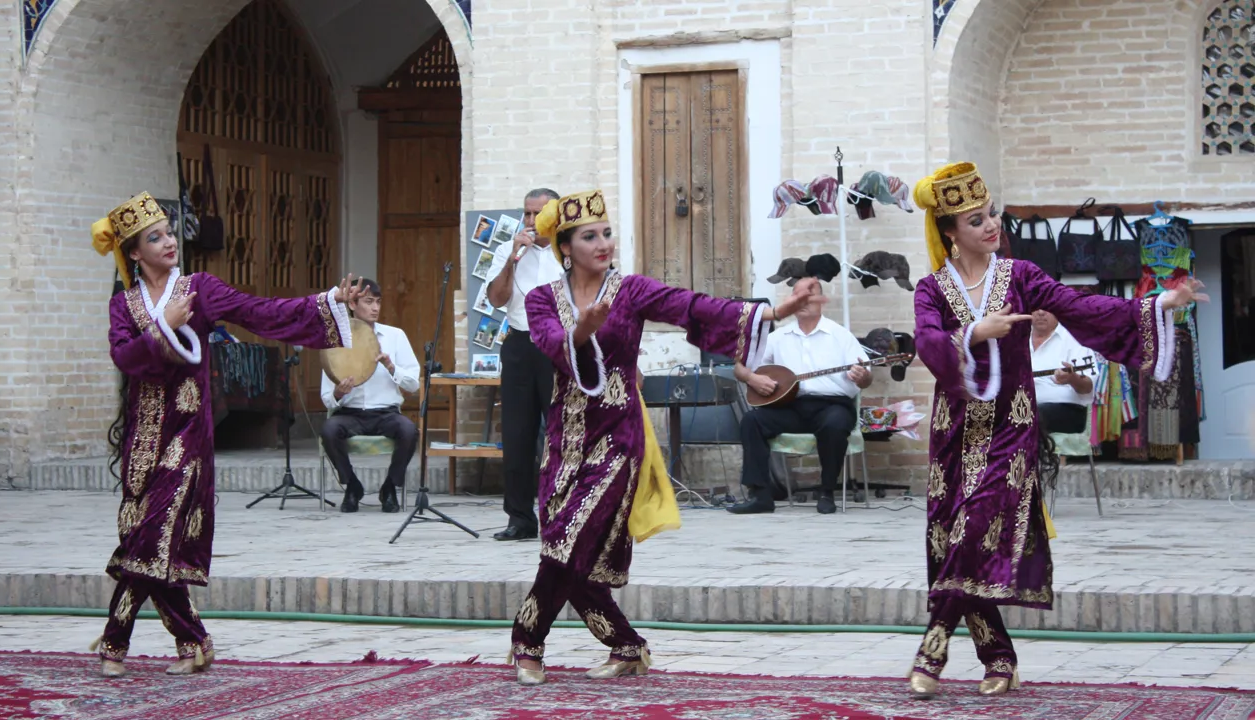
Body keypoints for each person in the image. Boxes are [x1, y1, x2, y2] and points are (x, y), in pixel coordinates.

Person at [907, 163, 1205, 698]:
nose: (991, 225)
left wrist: (1159, 302)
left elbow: (1080, 306)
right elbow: (929, 343)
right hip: (954, 431)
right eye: (976, 220)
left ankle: (934, 639)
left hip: (1010, 427)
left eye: (992, 213)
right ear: (950, 231)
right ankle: (999, 657)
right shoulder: (931, 289)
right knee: (949, 538)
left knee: (975, 528)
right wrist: (978, 330)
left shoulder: (1020, 276)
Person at [506, 189, 824, 685]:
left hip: (617, 438)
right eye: (590, 236)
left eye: (607, 232)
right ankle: (627, 646)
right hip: (563, 441)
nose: (604, 242)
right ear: (564, 247)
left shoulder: (629, 291)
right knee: (570, 553)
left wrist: (772, 313)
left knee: (569, 542)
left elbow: (693, 306)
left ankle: (527, 640)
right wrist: (580, 333)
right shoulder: (541, 299)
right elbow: (550, 344)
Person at [91, 193, 361, 678]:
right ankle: (187, 641)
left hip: (186, 433)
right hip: (142, 438)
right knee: (143, 537)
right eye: (156, 237)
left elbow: (262, 313)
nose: (170, 241)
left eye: (170, 233)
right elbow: (126, 361)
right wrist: (163, 329)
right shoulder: (123, 305)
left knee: (152, 532)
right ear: (133, 253)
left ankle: (119, 641)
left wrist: (328, 302)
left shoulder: (199, 289)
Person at [730, 282, 872, 515]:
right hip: (791, 406)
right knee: (752, 421)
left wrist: (862, 375)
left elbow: (866, 379)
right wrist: (753, 379)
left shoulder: (840, 335)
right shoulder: (778, 337)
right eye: (797, 296)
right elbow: (740, 368)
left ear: (822, 300)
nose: (803, 301)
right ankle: (761, 496)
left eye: (809, 295)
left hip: (832, 405)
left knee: (834, 425)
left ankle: (827, 492)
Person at [484, 188, 564, 541]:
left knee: (562, 433)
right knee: (516, 435)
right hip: (518, 345)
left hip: (560, 348)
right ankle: (519, 518)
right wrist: (512, 259)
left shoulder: (571, 251)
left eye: (539, 214)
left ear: (556, 215)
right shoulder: (508, 250)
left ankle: (564, 514)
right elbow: (496, 299)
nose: (531, 222)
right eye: (527, 214)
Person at [319, 278, 422, 513]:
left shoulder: (395, 336)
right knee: (329, 430)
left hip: (386, 413)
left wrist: (392, 368)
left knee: (408, 430)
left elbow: (414, 384)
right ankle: (352, 486)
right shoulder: (336, 339)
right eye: (368, 302)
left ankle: (390, 487)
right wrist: (337, 392)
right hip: (350, 413)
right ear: (353, 304)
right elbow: (327, 397)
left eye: (378, 302)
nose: (375, 308)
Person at [1029, 309, 1096, 435]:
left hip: (1067, 411)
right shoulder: (1017, 338)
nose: (1041, 313)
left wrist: (1073, 378)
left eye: (1047, 308)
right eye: (1036, 307)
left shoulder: (1075, 339)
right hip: (1022, 404)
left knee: (1030, 415)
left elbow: (1087, 387)